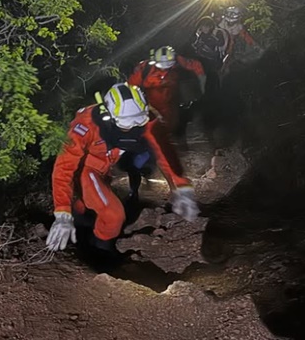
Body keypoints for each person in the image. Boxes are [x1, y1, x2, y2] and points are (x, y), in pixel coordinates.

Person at [46, 82, 200, 252]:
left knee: (85, 207)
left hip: (105, 170)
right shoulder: (86, 125)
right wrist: (62, 213)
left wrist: (181, 187)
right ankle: (100, 252)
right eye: (127, 124)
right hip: (87, 170)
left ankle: (86, 232)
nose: (134, 127)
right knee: (113, 215)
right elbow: (63, 168)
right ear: (110, 116)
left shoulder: (146, 119)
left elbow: (163, 153)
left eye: (138, 121)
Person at [128, 46, 206, 153]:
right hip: (151, 101)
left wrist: (201, 82)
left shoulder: (179, 62)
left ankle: (180, 142)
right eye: (161, 67)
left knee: (179, 119)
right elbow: (131, 84)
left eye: (167, 67)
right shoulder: (145, 68)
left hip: (173, 98)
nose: (164, 69)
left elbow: (196, 66)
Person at [217, 6, 264, 74]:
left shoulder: (239, 28)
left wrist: (256, 46)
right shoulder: (219, 24)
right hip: (215, 47)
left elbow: (247, 38)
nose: (230, 23)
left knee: (225, 68)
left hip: (228, 51)